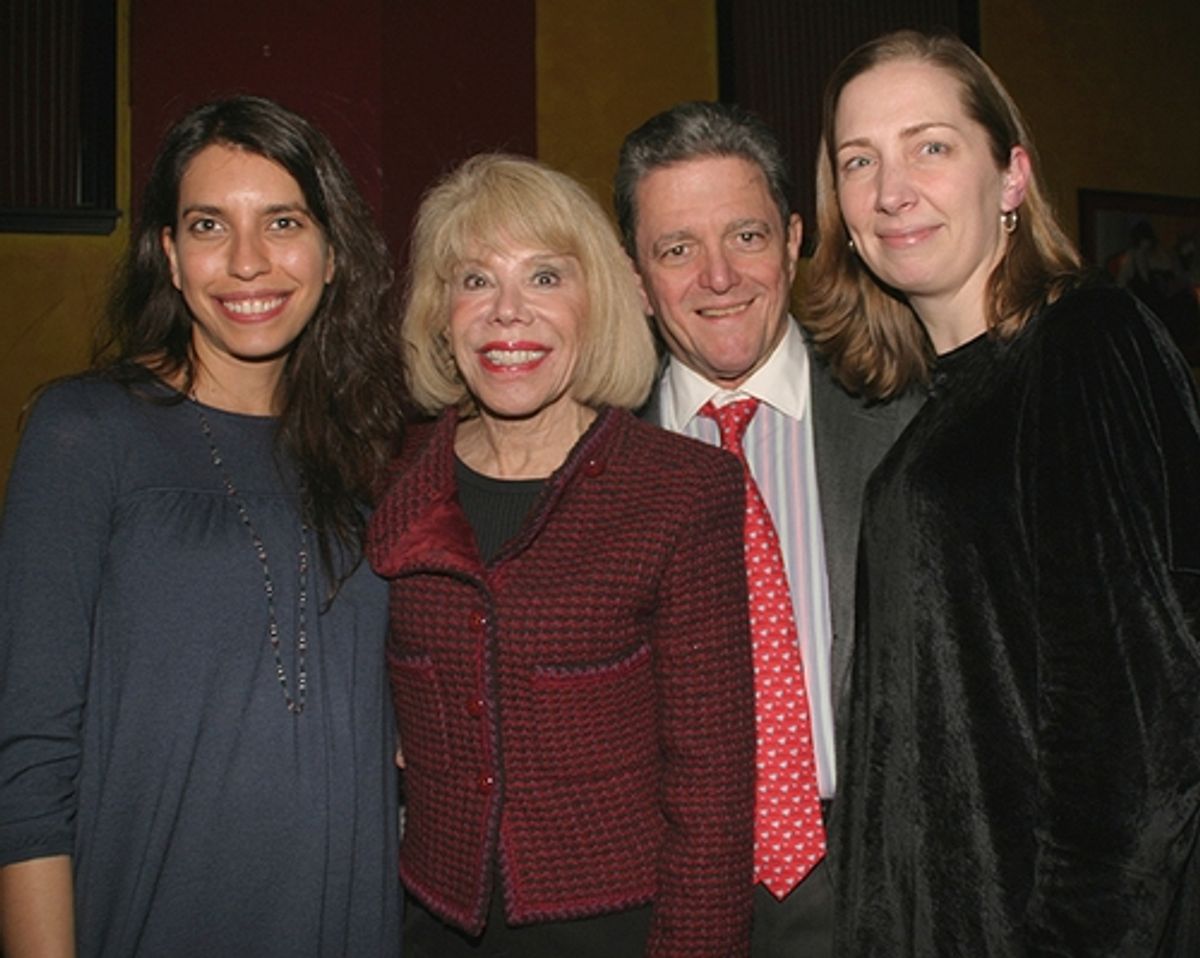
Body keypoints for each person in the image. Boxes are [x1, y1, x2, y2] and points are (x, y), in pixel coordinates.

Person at [807, 29, 1200, 955]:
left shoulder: (1086, 346)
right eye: (858, 160)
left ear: (1012, 175)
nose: (891, 189)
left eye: (930, 146)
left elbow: (1139, 731)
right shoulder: (944, 408)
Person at [0, 95, 405, 957]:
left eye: (283, 222)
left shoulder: (375, 456)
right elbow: (27, 758)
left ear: (333, 253)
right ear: (170, 257)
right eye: (210, 225)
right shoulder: (86, 432)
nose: (249, 262)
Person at [366, 153, 756, 957]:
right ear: (441, 313)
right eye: (475, 281)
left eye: (545, 278)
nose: (508, 314)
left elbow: (712, 795)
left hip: (621, 931)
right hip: (426, 925)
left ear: (599, 302)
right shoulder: (388, 480)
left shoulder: (682, 491)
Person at [614, 101, 922, 957]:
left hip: (882, 879)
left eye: (745, 237)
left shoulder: (909, 419)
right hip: (666, 892)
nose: (719, 277)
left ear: (793, 240)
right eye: (677, 249)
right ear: (636, 277)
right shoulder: (590, 460)